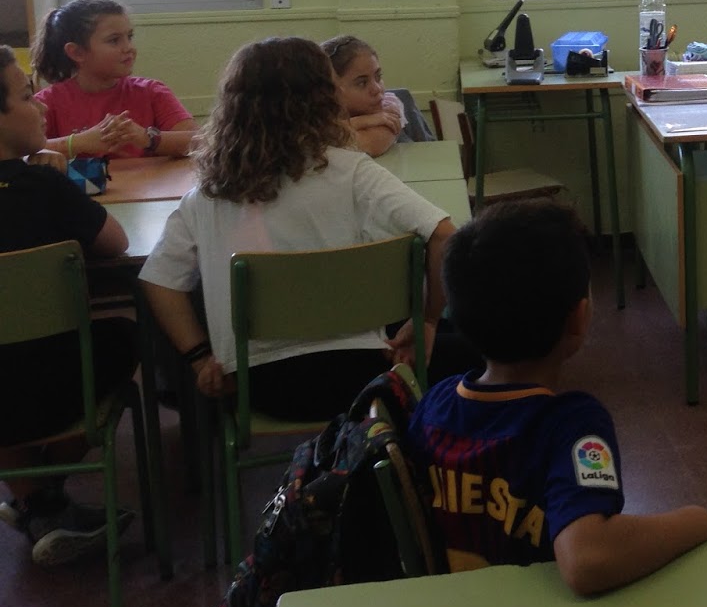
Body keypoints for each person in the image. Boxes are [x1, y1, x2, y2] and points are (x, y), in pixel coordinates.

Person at [138, 36, 469, 421]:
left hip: (258, 386)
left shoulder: (207, 195)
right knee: (487, 344)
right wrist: (427, 320)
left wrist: (199, 358)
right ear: (323, 98)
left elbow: (159, 280)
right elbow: (444, 236)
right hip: (365, 374)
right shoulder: (351, 172)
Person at [410, 198, 707, 594]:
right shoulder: (571, 425)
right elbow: (588, 558)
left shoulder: (434, 404)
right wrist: (697, 520)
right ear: (578, 317)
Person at [0, 44, 140, 566]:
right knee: (121, 338)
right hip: (51, 387)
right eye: (25, 96)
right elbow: (117, 244)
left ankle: (31, 500)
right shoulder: (42, 186)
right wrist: (56, 179)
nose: (39, 106)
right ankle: (46, 498)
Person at [31, 0, 197, 160]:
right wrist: (79, 142)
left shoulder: (151, 92)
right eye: (114, 40)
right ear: (77, 52)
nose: (129, 48)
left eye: (129, 37)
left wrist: (147, 138)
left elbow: (199, 142)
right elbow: (19, 153)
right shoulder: (46, 103)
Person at [321, 35, 431, 157]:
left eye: (378, 77)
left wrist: (343, 126)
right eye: (362, 83)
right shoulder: (318, 115)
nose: (377, 89)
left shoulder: (389, 105)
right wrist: (363, 121)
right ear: (331, 90)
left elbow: (370, 145)